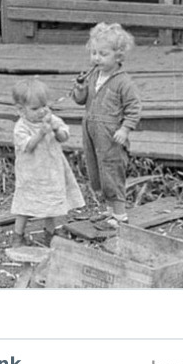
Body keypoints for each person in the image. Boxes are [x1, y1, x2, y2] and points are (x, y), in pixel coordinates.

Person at [72, 23, 142, 225]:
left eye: (103, 54)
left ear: (118, 56)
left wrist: (125, 128)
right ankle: (110, 210)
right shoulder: (93, 75)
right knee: (97, 171)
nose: (96, 58)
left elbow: (134, 107)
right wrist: (79, 88)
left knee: (111, 171)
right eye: (93, 53)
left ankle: (120, 215)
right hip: (91, 131)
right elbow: (81, 100)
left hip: (111, 135)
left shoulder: (123, 82)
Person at [11, 78, 84, 247]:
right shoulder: (21, 127)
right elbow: (27, 147)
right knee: (25, 205)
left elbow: (64, 137)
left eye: (44, 106)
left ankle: (50, 233)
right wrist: (40, 134)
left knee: (51, 204)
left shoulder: (52, 120)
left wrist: (57, 129)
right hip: (31, 173)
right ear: (21, 110)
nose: (42, 111)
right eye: (35, 108)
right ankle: (18, 235)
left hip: (52, 171)